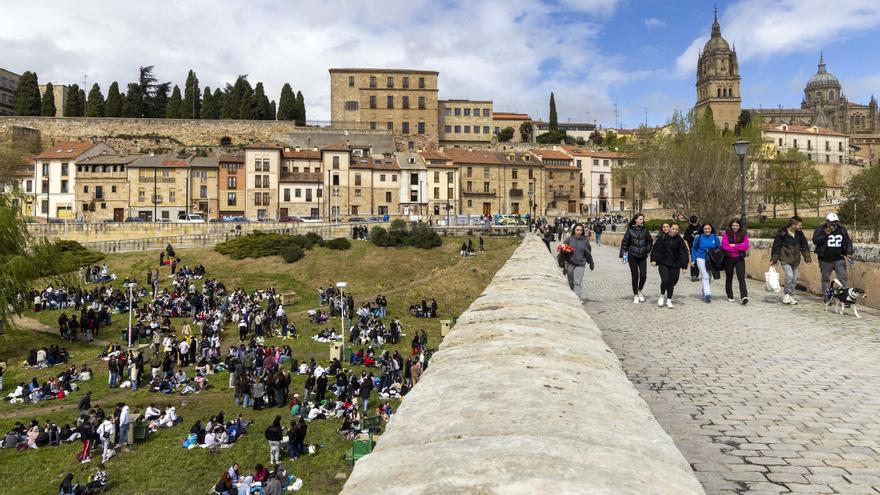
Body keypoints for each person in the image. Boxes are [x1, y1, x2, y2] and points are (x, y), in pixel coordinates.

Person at [771, 216, 812, 305]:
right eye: (799, 225)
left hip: (796, 259)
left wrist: (807, 258)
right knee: (789, 275)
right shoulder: (782, 233)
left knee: (794, 279)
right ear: (793, 225)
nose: (801, 227)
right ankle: (786, 294)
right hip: (785, 258)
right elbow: (776, 246)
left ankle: (791, 296)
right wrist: (774, 258)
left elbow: (804, 245)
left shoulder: (800, 233)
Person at [812, 212, 854, 299]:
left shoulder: (842, 229)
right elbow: (816, 241)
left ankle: (844, 298)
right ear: (827, 222)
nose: (834, 224)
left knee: (843, 279)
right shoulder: (820, 229)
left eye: (836, 222)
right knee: (826, 279)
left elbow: (848, 241)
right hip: (825, 259)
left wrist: (849, 252)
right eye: (832, 222)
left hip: (839, 258)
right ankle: (827, 297)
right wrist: (826, 234)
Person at [650, 223, 690, 308]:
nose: (674, 231)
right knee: (665, 280)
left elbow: (683, 253)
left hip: (675, 264)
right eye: (673, 229)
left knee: (672, 282)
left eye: (676, 229)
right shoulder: (663, 238)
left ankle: (669, 299)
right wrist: (653, 259)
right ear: (670, 229)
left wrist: (684, 266)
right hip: (663, 263)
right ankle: (662, 295)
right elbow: (655, 249)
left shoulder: (679, 240)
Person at [620, 213, 653, 304]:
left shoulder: (645, 230)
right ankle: (635, 294)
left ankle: (639, 290)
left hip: (642, 256)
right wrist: (623, 254)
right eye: (640, 219)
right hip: (632, 256)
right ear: (636, 220)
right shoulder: (630, 231)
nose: (642, 221)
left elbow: (650, 241)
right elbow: (625, 243)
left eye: (643, 219)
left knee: (643, 275)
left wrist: (647, 249)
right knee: (635, 276)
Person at [561, 223, 595, 299]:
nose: (579, 232)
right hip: (570, 264)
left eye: (580, 230)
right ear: (574, 230)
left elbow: (588, 252)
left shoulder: (585, 241)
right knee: (571, 283)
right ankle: (572, 298)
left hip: (580, 264)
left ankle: (577, 299)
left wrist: (591, 262)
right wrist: (565, 251)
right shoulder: (569, 239)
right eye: (577, 230)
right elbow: (562, 250)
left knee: (577, 282)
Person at [721, 219, 750, 305]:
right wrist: (738, 247)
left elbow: (746, 246)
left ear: (739, 226)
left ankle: (744, 296)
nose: (735, 227)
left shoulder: (743, 234)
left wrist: (734, 245)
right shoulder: (726, 234)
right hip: (729, 258)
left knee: (741, 278)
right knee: (729, 277)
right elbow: (725, 246)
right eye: (733, 225)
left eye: (737, 226)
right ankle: (730, 295)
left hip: (739, 259)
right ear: (731, 226)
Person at [691, 223, 721, 303]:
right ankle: (707, 294)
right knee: (705, 275)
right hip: (700, 258)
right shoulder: (699, 237)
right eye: (705, 229)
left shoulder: (715, 237)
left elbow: (719, 248)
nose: (707, 230)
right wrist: (693, 260)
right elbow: (694, 249)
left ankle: (705, 290)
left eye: (709, 229)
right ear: (703, 229)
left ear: (711, 229)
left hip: (711, 259)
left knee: (709, 275)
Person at [683, 215, 701, 281]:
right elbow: (685, 237)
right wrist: (692, 236)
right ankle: (693, 275)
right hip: (692, 246)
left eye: (695, 223)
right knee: (693, 260)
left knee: (699, 260)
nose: (694, 224)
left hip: (700, 246)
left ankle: (696, 275)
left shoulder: (700, 227)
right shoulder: (689, 228)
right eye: (693, 223)